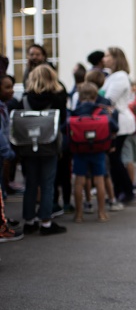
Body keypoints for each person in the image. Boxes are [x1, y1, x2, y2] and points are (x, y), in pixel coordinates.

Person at [15, 65, 67, 235]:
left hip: (28, 146)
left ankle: (29, 221)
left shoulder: (23, 99)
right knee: (47, 184)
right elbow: (63, 122)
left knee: (30, 184)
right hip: (49, 145)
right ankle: (46, 222)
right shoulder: (57, 99)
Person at [69, 82, 118, 223]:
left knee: (79, 181)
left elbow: (64, 128)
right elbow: (114, 126)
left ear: (79, 97)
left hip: (79, 149)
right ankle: (101, 213)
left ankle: (79, 215)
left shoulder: (75, 111)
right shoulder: (101, 111)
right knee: (99, 180)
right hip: (98, 149)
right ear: (95, 96)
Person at [102, 47, 136, 203]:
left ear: (115, 58)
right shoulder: (113, 76)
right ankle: (122, 190)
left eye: (108, 55)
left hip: (120, 122)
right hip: (117, 121)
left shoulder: (119, 77)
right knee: (115, 159)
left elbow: (109, 99)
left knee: (115, 159)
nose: (104, 58)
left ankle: (125, 191)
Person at [0, 75, 21, 242]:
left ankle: (3, 221)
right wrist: (8, 152)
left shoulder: (4, 106)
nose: (11, 90)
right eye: (7, 87)